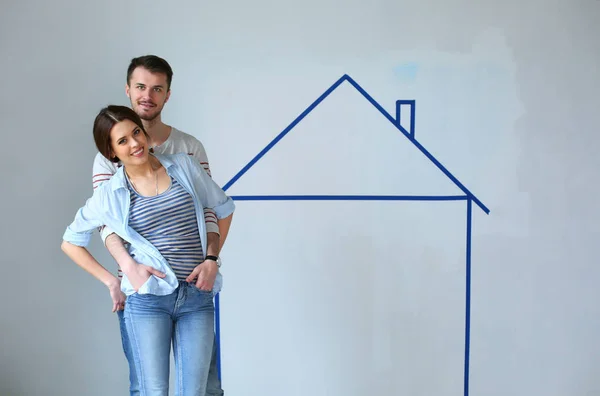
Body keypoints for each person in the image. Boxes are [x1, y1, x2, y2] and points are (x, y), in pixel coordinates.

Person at [62, 105, 235, 396]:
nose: (134, 144)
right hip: (148, 301)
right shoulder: (110, 193)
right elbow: (70, 242)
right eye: (122, 141)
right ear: (111, 153)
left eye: (136, 133)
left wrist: (211, 259)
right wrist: (114, 279)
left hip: (195, 297)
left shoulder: (184, 166)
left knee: (196, 392)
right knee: (152, 392)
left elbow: (224, 208)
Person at [92, 55, 227, 395]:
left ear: (168, 94)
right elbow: (107, 225)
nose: (147, 96)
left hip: (195, 287)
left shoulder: (188, 148)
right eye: (140, 87)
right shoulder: (108, 156)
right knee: (146, 387)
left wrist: (212, 260)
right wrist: (126, 269)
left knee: (205, 387)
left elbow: (211, 210)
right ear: (128, 90)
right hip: (145, 290)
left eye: (156, 89)